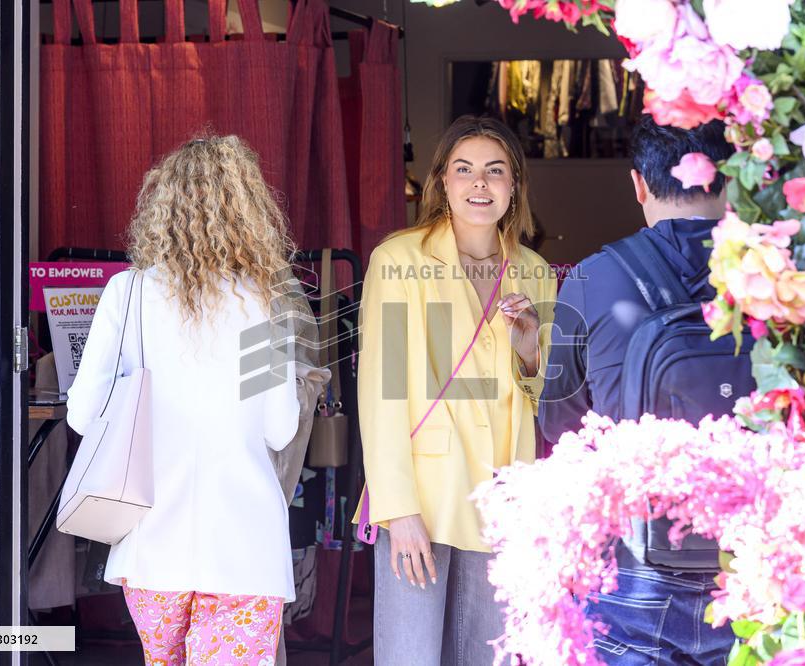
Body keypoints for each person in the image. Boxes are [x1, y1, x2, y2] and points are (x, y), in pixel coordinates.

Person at [67, 136, 301, 666]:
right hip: (245, 544)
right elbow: (281, 428)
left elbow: (82, 415)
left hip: (152, 544)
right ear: (249, 211)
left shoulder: (125, 294)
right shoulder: (263, 303)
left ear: (161, 208)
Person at [357, 115, 557, 664]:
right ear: (441, 181)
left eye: (495, 172)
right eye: (464, 170)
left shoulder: (536, 272)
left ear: (513, 184)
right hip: (424, 492)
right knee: (410, 656)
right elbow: (383, 392)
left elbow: (548, 397)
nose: (479, 184)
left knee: (490, 656)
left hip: (502, 494)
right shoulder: (399, 260)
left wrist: (528, 347)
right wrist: (397, 509)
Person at [538, 114, 736, 663]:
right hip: (750, 559)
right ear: (726, 178)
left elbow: (560, 426)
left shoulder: (592, 277)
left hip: (636, 567)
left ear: (639, 184)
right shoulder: (774, 274)